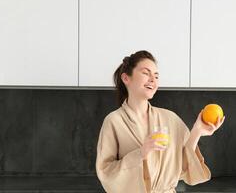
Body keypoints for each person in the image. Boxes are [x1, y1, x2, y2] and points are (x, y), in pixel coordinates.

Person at [95, 50, 225, 193]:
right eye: (146, 73)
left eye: (156, 76)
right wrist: (141, 153)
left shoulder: (170, 119)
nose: (153, 79)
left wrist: (197, 131)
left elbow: (185, 168)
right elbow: (105, 172)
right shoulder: (114, 121)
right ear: (126, 78)